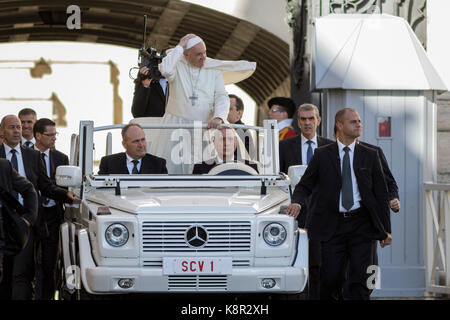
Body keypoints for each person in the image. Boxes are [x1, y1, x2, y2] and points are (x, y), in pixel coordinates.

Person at [285, 108, 392, 300]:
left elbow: (381, 194)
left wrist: (385, 229)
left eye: (359, 121)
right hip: (332, 226)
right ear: (339, 125)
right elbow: (305, 186)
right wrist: (297, 203)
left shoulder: (370, 154)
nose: (359, 124)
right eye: (353, 122)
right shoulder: (322, 155)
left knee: (362, 279)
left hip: (362, 225)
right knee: (331, 278)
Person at [150, 33, 256, 174]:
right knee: (171, 170)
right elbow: (166, 69)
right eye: (198, 54)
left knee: (206, 170)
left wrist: (219, 117)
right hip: (176, 126)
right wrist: (180, 46)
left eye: (205, 52)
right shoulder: (177, 64)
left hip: (205, 128)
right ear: (186, 55)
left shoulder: (212, 68)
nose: (204, 57)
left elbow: (221, 96)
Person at [0, 115, 74, 300]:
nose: (17, 131)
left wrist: (65, 195)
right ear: (2, 132)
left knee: (23, 272)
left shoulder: (32, 156)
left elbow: (44, 185)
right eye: (12, 127)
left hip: (26, 223)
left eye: (18, 127)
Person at [278, 103, 333, 300]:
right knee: (296, 263)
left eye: (311, 118)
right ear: (298, 122)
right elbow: (278, 179)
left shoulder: (330, 146)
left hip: (324, 214)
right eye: (303, 119)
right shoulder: (284, 147)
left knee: (320, 264)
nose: (307, 122)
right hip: (295, 213)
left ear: (318, 120)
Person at [32, 118, 69, 300]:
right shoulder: (26, 155)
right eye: (50, 135)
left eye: (55, 134)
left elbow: (65, 187)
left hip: (53, 216)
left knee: (50, 264)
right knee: (30, 264)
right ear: (38, 135)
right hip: (32, 216)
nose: (54, 138)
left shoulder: (61, 158)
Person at [0, 159, 38, 294]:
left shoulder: (3, 166)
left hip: (4, 237)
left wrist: (28, 219)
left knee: (6, 282)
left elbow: (29, 189)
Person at [98, 123, 168, 175]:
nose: (141, 145)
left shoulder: (159, 165)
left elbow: (164, 192)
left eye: (143, 140)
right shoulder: (108, 163)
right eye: (136, 141)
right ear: (124, 144)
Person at [192, 126, 258, 174]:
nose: (226, 143)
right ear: (214, 143)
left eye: (230, 139)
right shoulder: (200, 169)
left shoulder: (251, 167)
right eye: (222, 139)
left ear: (235, 143)